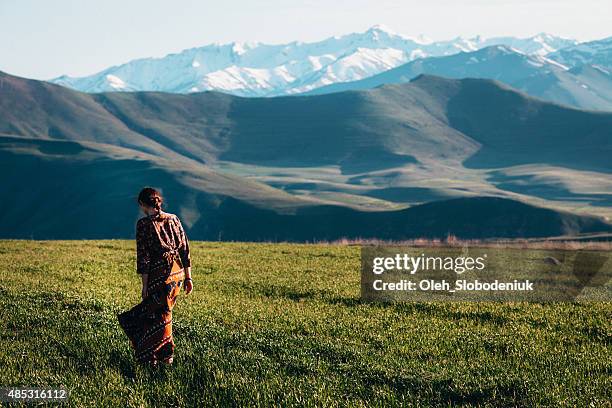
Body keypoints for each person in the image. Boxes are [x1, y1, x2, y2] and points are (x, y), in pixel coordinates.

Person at [117, 187, 193, 366]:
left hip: (159, 276)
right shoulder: (174, 219)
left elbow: (143, 258)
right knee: (161, 314)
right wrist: (188, 278)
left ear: (142, 204)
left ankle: (158, 356)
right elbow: (185, 249)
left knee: (158, 316)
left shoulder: (143, 224)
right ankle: (161, 356)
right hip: (177, 275)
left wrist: (144, 286)